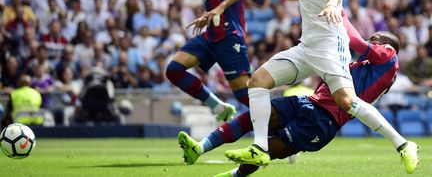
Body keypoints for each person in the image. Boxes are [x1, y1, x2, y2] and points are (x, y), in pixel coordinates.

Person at [227, 0, 417, 170]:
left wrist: (331, 3)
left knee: (346, 100)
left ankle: (403, 144)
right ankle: (259, 149)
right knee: (257, 81)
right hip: (307, 46)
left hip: (329, 45)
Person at [178, 11, 419, 176]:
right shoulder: (362, 68)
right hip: (309, 102)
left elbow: (356, 41)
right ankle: (199, 148)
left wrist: (340, 15)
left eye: (374, 40)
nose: (371, 43)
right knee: (257, 115)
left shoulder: (389, 55)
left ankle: (235, 175)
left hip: (324, 121)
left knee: (268, 149)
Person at [166, 0, 250, 121]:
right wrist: (209, 16)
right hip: (211, 34)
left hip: (228, 35)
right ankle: (218, 107)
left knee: (245, 95)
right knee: (174, 70)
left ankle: (285, 133)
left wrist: (219, 8)